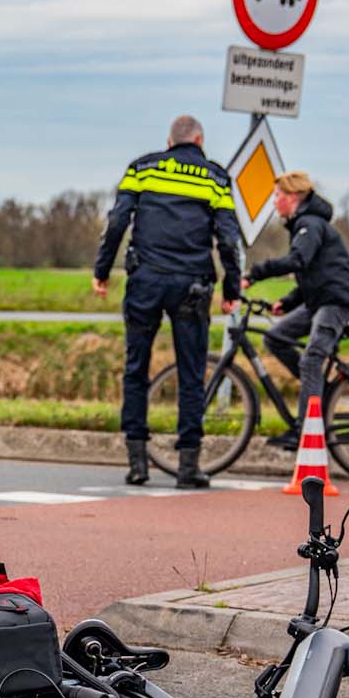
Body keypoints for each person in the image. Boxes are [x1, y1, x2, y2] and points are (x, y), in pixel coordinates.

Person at [93, 115, 241, 488]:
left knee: (136, 367)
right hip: (192, 284)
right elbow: (227, 236)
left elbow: (117, 221)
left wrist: (103, 269)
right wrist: (232, 288)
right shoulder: (215, 177)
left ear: (170, 141)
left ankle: (137, 463)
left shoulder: (142, 168)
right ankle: (188, 467)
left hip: (145, 280)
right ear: (200, 140)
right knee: (191, 374)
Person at [242, 171, 349, 448]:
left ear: (292, 197)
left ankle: (306, 430)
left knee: (310, 361)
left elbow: (299, 260)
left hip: (336, 301)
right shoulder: (304, 224)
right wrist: (290, 301)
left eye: (278, 196)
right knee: (275, 337)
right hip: (319, 299)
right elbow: (315, 273)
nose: (274, 202)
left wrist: (256, 273)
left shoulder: (309, 224)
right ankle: (316, 389)